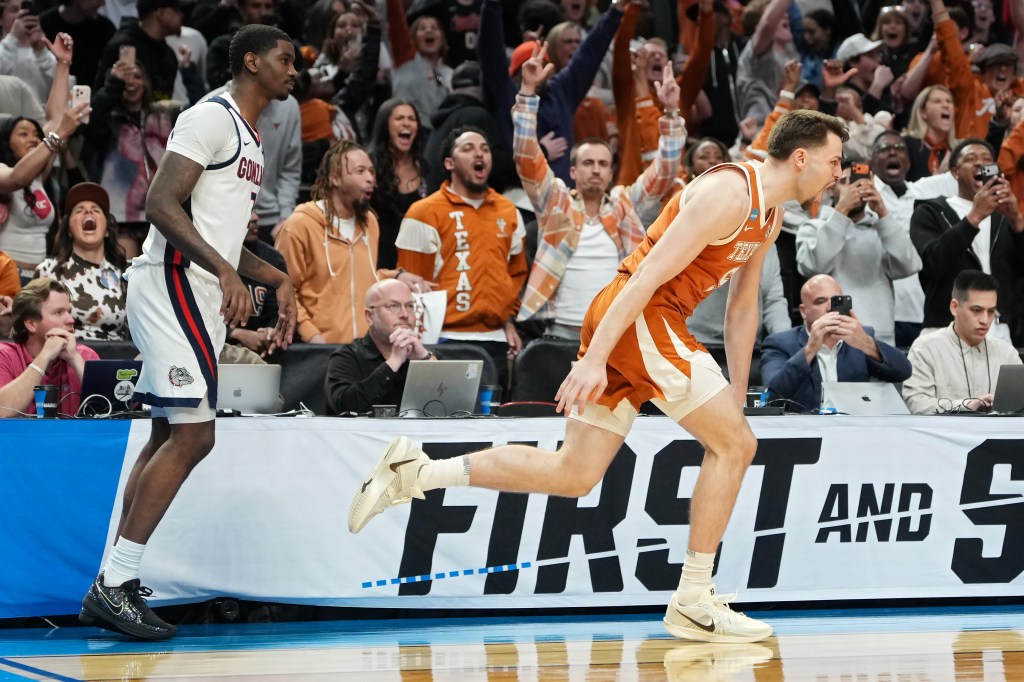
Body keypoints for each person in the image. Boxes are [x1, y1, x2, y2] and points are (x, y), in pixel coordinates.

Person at [350, 109, 850, 644]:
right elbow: (649, 273)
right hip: (641, 315)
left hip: (638, 323)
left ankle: (415, 473)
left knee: (574, 474)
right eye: (835, 161)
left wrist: (736, 390)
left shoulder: (768, 216)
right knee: (735, 448)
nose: (838, 173)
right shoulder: (730, 191)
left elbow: (742, 311)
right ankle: (693, 598)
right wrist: (593, 358)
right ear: (801, 157)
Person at [78, 24, 298, 641]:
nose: (293, 70)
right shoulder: (211, 117)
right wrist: (227, 270)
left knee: (166, 434)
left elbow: (225, 237)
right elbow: (162, 206)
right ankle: (114, 585)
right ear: (250, 61)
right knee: (195, 436)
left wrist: (275, 279)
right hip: (171, 279)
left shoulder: (250, 135)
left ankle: (111, 579)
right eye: (284, 59)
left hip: (196, 286)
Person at [514, 42, 684, 342]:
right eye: (588, 163)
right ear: (573, 171)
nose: (595, 169)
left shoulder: (623, 202)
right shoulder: (555, 200)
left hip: (614, 336)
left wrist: (671, 112)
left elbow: (665, 172)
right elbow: (527, 157)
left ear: (610, 172)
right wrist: (527, 93)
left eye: (603, 164)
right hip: (558, 335)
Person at [395, 126, 527, 389]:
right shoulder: (423, 213)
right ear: (449, 163)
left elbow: (516, 274)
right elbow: (413, 284)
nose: (479, 153)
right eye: (468, 148)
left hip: (496, 341)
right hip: (444, 339)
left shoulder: (509, 211)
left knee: (495, 425)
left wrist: (507, 321)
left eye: (485, 149)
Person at [275, 139, 425, 344]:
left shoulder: (370, 222)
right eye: (361, 171)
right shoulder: (299, 225)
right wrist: (311, 335)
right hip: (319, 349)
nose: (370, 178)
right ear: (335, 178)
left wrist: (397, 275)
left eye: (371, 171)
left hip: (365, 350)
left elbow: (360, 275)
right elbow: (284, 289)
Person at [909, 138, 1024, 345]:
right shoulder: (930, 211)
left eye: (987, 159)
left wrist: (1016, 220)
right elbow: (935, 263)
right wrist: (974, 217)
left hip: (997, 329)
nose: (980, 163)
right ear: (954, 172)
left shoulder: (1004, 218)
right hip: (946, 327)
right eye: (971, 159)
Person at [795, 160, 921, 345]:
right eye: (845, 182)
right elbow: (815, 267)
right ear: (831, 188)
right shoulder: (812, 228)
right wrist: (842, 211)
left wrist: (883, 213)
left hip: (878, 338)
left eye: (860, 182)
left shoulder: (882, 229)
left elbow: (910, 265)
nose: (853, 188)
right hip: (831, 337)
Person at [760, 274, 913, 412]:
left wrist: (867, 343)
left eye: (835, 301)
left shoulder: (859, 339)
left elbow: (903, 371)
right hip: (804, 432)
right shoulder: (779, 343)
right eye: (820, 301)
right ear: (803, 311)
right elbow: (769, 397)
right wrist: (809, 350)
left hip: (853, 429)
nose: (829, 308)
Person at [903, 270, 1023, 414]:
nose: (985, 320)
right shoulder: (925, 348)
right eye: (976, 310)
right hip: (945, 435)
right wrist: (966, 405)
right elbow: (916, 404)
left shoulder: (1007, 353)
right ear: (955, 307)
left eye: (991, 311)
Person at [324, 278, 435, 414]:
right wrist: (393, 363)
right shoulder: (347, 357)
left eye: (410, 306)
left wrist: (425, 358)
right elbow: (344, 408)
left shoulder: (423, 355)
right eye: (393, 306)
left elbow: (453, 404)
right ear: (370, 316)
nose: (405, 315)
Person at [34, 183, 128, 340]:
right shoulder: (48, 271)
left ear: (106, 230)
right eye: (79, 210)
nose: (88, 211)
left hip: (110, 361)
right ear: (69, 230)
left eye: (96, 210)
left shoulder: (123, 276)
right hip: (62, 357)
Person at [0, 277, 99, 416]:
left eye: (69, 312)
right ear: (31, 324)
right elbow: (1, 410)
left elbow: (112, 413)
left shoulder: (85, 356)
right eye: (59, 312)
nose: (71, 320)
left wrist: (75, 360)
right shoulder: (5, 357)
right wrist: (45, 356)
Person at [228, 210, 287, 357]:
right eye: (247, 210)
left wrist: (271, 331)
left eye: (255, 210)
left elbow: (278, 312)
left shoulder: (272, 259)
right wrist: (234, 333)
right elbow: (195, 313)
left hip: (261, 353)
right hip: (214, 349)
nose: (255, 218)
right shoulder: (204, 257)